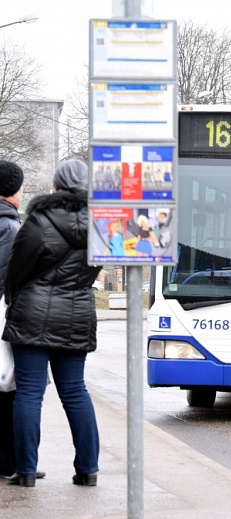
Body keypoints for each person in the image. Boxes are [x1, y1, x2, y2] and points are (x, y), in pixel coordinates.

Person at [2, 159, 102, 487]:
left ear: (56, 185)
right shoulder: (104, 225)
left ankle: (26, 471)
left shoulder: (38, 221)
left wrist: (17, 296)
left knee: (29, 393)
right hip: (77, 313)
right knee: (75, 391)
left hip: (31, 314)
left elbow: (15, 272)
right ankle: (87, 470)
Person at [0, 161, 46, 481]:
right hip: (6, 316)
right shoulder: (11, 229)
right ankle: (11, 463)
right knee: (11, 389)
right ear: (14, 192)